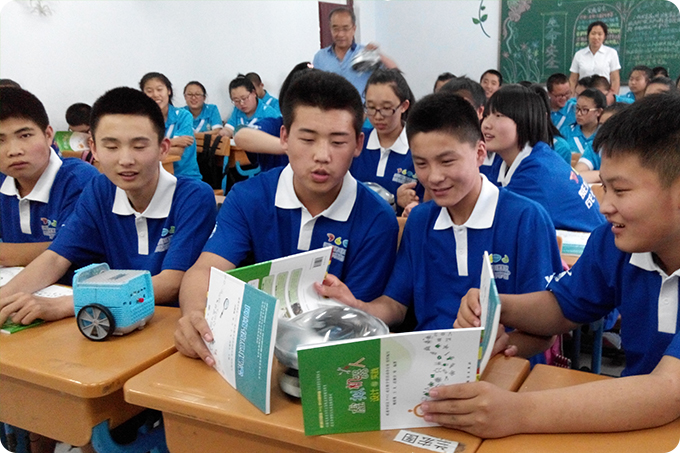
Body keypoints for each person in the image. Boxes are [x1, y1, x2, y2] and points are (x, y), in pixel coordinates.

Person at [447, 94, 680, 438]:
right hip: (638, 422)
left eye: (620, 190)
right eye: (605, 188)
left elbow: (668, 391)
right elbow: (563, 307)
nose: (605, 206)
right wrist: (496, 306)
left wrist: (517, 412)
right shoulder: (614, 243)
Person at [174, 70, 399, 365]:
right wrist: (194, 315)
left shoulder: (377, 220)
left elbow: (353, 321)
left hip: (326, 360)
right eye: (307, 139)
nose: (322, 155)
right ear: (284, 137)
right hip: (248, 354)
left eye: (338, 142)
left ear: (358, 144)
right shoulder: (249, 197)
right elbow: (205, 270)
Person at [313, 92, 562, 357]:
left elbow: (545, 333)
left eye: (447, 161)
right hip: (429, 362)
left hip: (502, 367)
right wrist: (356, 307)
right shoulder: (420, 221)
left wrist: (498, 346)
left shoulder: (526, 219)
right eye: (421, 163)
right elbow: (395, 306)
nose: (434, 177)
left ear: (479, 153)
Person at [0, 87, 216, 326]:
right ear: (93, 149)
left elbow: (172, 282)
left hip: (167, 323)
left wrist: (66, 304)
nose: (126, 160)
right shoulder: (100, 189)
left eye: (139, 146)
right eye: (111, 147)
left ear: (163, 148)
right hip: (109, 322)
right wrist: (5, 296)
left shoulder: (193, 196)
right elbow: (56, 257)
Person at [0, 87, 99, 267]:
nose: (14, 151)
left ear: (48, 135)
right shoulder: (3, 179)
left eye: (25, 135)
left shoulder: (80, 180)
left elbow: (72, 249)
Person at [483, 85, 605, 232]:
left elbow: (492, 218)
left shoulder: (535, 174)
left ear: (524, 120)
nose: (486, 124)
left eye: (498, 116)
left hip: (583, 242)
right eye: (486, 115)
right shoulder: (515, 157)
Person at [350, 68, 421, 214]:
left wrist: (411, 205)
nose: (378, 116)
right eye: (371, 107)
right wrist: (394, 198)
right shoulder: (356, 142)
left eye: (386, 108)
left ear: (404, 106)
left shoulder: (419, 147)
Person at [312, 7, 397, 100]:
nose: (340, 34)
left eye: (345, 29)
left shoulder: (364, 53)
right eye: (335, 29)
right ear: (330, 29)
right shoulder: (320, 57)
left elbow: (395, 73)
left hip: (361, 109)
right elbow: (315, 89)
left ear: (354, 29)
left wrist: (377, 55)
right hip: (330, 108)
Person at [140, 72, 202, 180]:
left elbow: (178, 151)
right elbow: (139, 149)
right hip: (152, 177)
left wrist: (148, 148)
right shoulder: (142, 120)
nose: (155, 94)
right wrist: (173, 142)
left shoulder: (183, 116)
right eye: (149, 91)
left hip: (184, 177)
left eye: (159, 89)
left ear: (169, 91)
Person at [219, 75, 281, 140]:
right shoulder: (237, 110)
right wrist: (224, 133)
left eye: (244, 98)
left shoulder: (269, 113)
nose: (241, 103)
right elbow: (229, 128)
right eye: (236, 100)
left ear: (254, 93)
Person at [569, 21, 621, 95]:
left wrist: (612, 97)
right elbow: (573, 80)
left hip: (603, 95)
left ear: (604, 36)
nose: (596, 37)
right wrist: (572, 97)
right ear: (588, 35)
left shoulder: (611, 53)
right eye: (593, 33)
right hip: (583, 95)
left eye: (600, 34)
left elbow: (615, 80)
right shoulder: (579, 55)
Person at [561, 88, 607, 172]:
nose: (579, 113)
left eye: (585, 110)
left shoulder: (604, 135)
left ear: (598, 112)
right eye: (577, 108)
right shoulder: (566, 132)